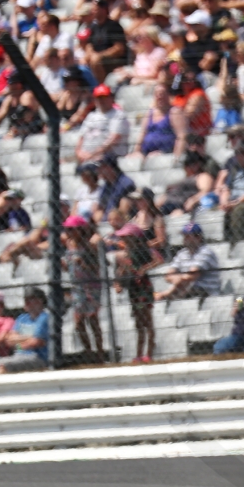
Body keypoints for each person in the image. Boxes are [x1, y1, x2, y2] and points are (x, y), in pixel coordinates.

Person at [113, 222, 162, 363]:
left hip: (143, 289)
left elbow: (159, 259)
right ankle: (139, 354)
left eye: (128, 237)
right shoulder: (127, 253)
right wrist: (118, 282)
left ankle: (149, 353)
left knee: (147, 321)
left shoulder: (144, 250)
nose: (125, 240)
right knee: (139, 324)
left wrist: (144, 269)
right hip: (133, 290)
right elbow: (122, 268)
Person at [0, 286, 50, 375]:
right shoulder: (22, 318)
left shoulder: (44, 317)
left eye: (30, 299)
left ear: (39, 301)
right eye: (26, 299)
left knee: (3, 366)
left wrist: (18, 343)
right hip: (18, 355)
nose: (26, 302)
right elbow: (9, 340)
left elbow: (36, 342)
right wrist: (27, 340)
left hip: (37, 357)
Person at [62, 215, 104, 361]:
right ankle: (88, 351)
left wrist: (84, 263)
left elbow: (98, 266)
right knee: (79, 321)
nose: (68, 232)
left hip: (91, 286)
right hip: (77, 287)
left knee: (92, 319)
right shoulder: (69, 244)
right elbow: (69, 268)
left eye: (71, 229)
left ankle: (99, 352)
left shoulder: (89, 245)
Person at [155, 223, 220, 302]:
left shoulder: (206, 252)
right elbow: (168, 275)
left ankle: (166, 295)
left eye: (188, 236)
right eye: (184, 236)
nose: (185, 239)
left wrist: (177, 280)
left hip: (206, 293)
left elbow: (192, 275)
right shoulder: (182, 253)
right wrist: (178, 279)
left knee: (168, 297)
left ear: (198, 237)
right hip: (187, 290)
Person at [76, 84, 129, 163]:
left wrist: (93, 154)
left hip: (109, 157)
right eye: (98, 98)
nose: (101, 101)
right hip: (88, 156)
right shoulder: (91, 116)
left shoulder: (118, 115)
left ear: (111, 98)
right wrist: (79, 152)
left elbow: (113, 140)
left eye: (104, 97)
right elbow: (81, 137)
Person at [90, 156, 136, 223]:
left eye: (101, 168)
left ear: (109, 168)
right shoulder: (105, 186)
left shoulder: (126, 183)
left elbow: (123, 211)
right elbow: (100, 209)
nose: (98, 171)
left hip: (120, 223)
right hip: (106, 221)